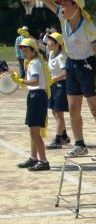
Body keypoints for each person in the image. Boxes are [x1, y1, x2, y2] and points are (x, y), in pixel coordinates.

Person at [18, 0, 96, 160]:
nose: (62, 6)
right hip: (72, 64)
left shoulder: (87, 26)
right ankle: (79, 144)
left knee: (95, 109)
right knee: (73, 108)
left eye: (66, 3)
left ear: (76, 6)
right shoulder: (63, 18)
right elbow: (46, 0)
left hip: (88, 65)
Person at [11, 38, 51, 171]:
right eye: (21, 48)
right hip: (37, 96)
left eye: (25, 48)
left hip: (37, 97)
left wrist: (20, 81)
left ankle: (43, 161)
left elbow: (34, 81)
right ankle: (34, 158)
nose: (22, 50)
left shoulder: (34, 63)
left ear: (33, 50)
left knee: (34, 132)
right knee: (33, 131)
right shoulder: (35, 61)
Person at [46, 32, 71, 149]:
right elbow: (38, 45)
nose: (47, 42)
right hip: (53, 85)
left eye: (50, 41)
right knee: (54, 111)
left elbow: (65, 73)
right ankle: (64, 136)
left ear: (57, 44)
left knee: (58, 112)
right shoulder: (51, 53)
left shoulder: (61, 56)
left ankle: (58, 139)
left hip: (61, 85)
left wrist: (54, 78)